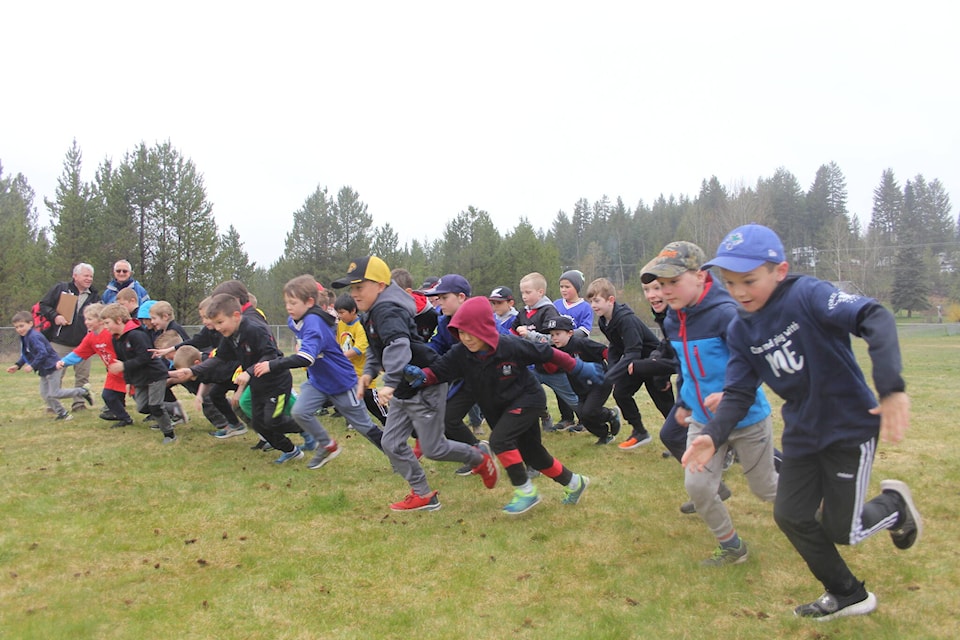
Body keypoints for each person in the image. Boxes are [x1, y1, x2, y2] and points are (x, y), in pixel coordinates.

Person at [683, 224, 922, 621]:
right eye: (729, 282)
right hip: (803, 433)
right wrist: (711, 433)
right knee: (790, 515)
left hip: (849, 428)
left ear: (779, 271)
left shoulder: (808, 294)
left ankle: (894, 506)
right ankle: (847, 593)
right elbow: (739, 392)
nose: (739, 291)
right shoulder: (741, 329)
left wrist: (891, 387)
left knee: (843, 530)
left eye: (749, 280)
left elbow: (873, 315)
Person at [641, 242, 778, 566]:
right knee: (698, 486)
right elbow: (686, 366)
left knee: (766, 488)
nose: (665, 291)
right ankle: (732, 547)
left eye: (673, 282)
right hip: (702, 420)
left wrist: (731, 393)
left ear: (700, 276)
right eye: (661, 284)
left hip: (746, 419)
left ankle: (820, 508)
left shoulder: (728, 313)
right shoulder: (673, 320)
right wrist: (686, 402)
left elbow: (756, 364)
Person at [402, 296, 602, 514]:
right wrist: (421, 376)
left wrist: (579, 368)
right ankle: (575, 483)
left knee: (499, 440)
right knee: (534, 454)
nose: (466, 338)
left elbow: (547, 352)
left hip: (528, 399)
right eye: (461, 332)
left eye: (471, 332)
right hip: (497, 408)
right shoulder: (460, 354)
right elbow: (439, 371)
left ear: (485, 329)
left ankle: (525, 491)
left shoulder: (509, 345)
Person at [332, 256, 498, 511]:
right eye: (352, 288)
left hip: (425, 380)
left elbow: (398, 344)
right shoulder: (372, 313)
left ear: (380, 285)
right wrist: (368, 372)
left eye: (359, 287)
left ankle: (478, 456)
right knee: (391, 443)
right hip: (405, 383)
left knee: (434, 448)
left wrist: (392, 382)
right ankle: (423, 494)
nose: (354, 294)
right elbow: (378, 347)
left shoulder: (387, 311)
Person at [252, 275, 384, 469]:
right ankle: (328, 445)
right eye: (286, 302)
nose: (288, 307)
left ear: (310, 302)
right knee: (300, 412)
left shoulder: (314, 323)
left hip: (341, 382)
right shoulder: (294, 320)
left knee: (364, 426)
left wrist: (273, 364)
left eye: (293, 302)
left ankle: (399, 454)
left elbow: (306, 358)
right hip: (319, 381)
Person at [585, 277, 672, 448]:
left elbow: (634, 351)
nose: (593, 305)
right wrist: (611, 370)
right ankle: (639, 431)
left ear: (611, 300)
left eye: (596, 301)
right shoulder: (604, 321)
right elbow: (615, 347)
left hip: (654, 362)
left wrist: (611, 376)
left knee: (664, 403)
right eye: (591, 301)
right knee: (621, 393)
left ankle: (680, 438)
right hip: (635, 363)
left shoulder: (626, 320)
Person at [510, 272, 578, 433]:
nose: (524, 296)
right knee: (524, 393)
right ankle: (542, 417)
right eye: (522, 293)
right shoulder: (523, 312)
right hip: (534, 367)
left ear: (540, 292)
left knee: (572, 400)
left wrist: (529, 335)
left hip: (553, 366)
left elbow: (555, 339)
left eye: (528, 292)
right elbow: (512, 333)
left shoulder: (549, 311)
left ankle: (597, 418)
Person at [102, 303, 177, 444]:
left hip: (155, 375)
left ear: (118, 320)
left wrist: (124, 366)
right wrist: (128, 381)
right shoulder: (116, 339)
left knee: (155, 406)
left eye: (107, 323)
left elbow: (145, 357)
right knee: (142, 407)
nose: (106, 327)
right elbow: (123, 360)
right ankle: (173, 408)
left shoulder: (137, 335)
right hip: (140, 378)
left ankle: (169, 434)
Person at [55, 303, 133, 427]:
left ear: (101, 320)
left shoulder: (111, 334)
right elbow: (79, 352)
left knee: (140, 399)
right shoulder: (91, 337)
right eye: (85, 319)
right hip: (113, 373)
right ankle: (125, 419)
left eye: (90, 319)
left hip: (128, 370)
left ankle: (162, 412)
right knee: (108, 396)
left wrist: (127, 364)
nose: (86, 322)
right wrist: (64, 362)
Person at [546, 316, 620, 445]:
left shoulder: (581, 343)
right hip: (581, 388)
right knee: (583, 417)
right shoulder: (557, 350)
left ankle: (610, 414)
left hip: (599, 382)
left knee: (589, 411)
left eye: (558, 334)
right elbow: (552, 369)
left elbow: (605, 350)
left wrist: (613, 371)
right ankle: (604, 435)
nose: (554, 338)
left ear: (570, 333)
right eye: (552, 335)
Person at [7, 311, 93, 421]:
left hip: (53, 367)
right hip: (44, 369)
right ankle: (63, 414)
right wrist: (17, 365)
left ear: (30, 324)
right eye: (16, 327)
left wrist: (32, 366)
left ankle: (83, 391)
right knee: (45, 394)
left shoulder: (33, 336)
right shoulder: (25, 337)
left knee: (55, 393)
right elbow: (27, 353)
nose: (19, 329)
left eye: (21, 326)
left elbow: (42, 353)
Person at [38, 263, 100, 407]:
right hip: (59, 342)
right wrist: (55, 316)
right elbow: (44, 305)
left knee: (83, 376)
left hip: (83, 343)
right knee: (55, 374)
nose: (89, 279)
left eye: (91, 276)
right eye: (86, 275)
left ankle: (79, 403)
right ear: (75, 276)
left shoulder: (94, 296)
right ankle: (53, 405)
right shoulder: (61, 289)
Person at [553, 270, 591, 431]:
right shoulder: (556, 305)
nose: (563, 290)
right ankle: (566, 417)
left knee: (579, 386)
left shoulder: (585, 307)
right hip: (559, 353)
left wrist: (566, 337)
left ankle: (584, 419)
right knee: (561, 384)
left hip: (577, 354)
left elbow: (584, 331)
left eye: (567, 286)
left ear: (576, 287)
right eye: (561, 286)